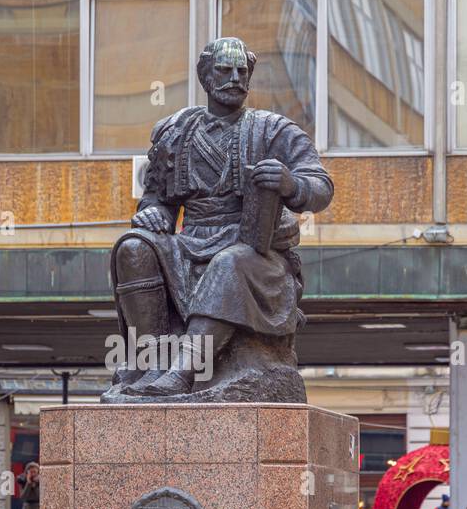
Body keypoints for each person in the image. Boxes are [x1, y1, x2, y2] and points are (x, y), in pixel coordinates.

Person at [106, 36, 334, 399]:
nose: (234, 78)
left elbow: (321, 187)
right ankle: (149, 363)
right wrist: (152, 213)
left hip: (257, 253)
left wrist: (291, 183)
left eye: (242, 71)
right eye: (224, 70)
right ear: (205, 77)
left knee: (229, 263)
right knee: (133, 248)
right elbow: (157, 197)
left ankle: (181, 375)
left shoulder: (273, 129)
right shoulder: (176, 130)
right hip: (189, 240)